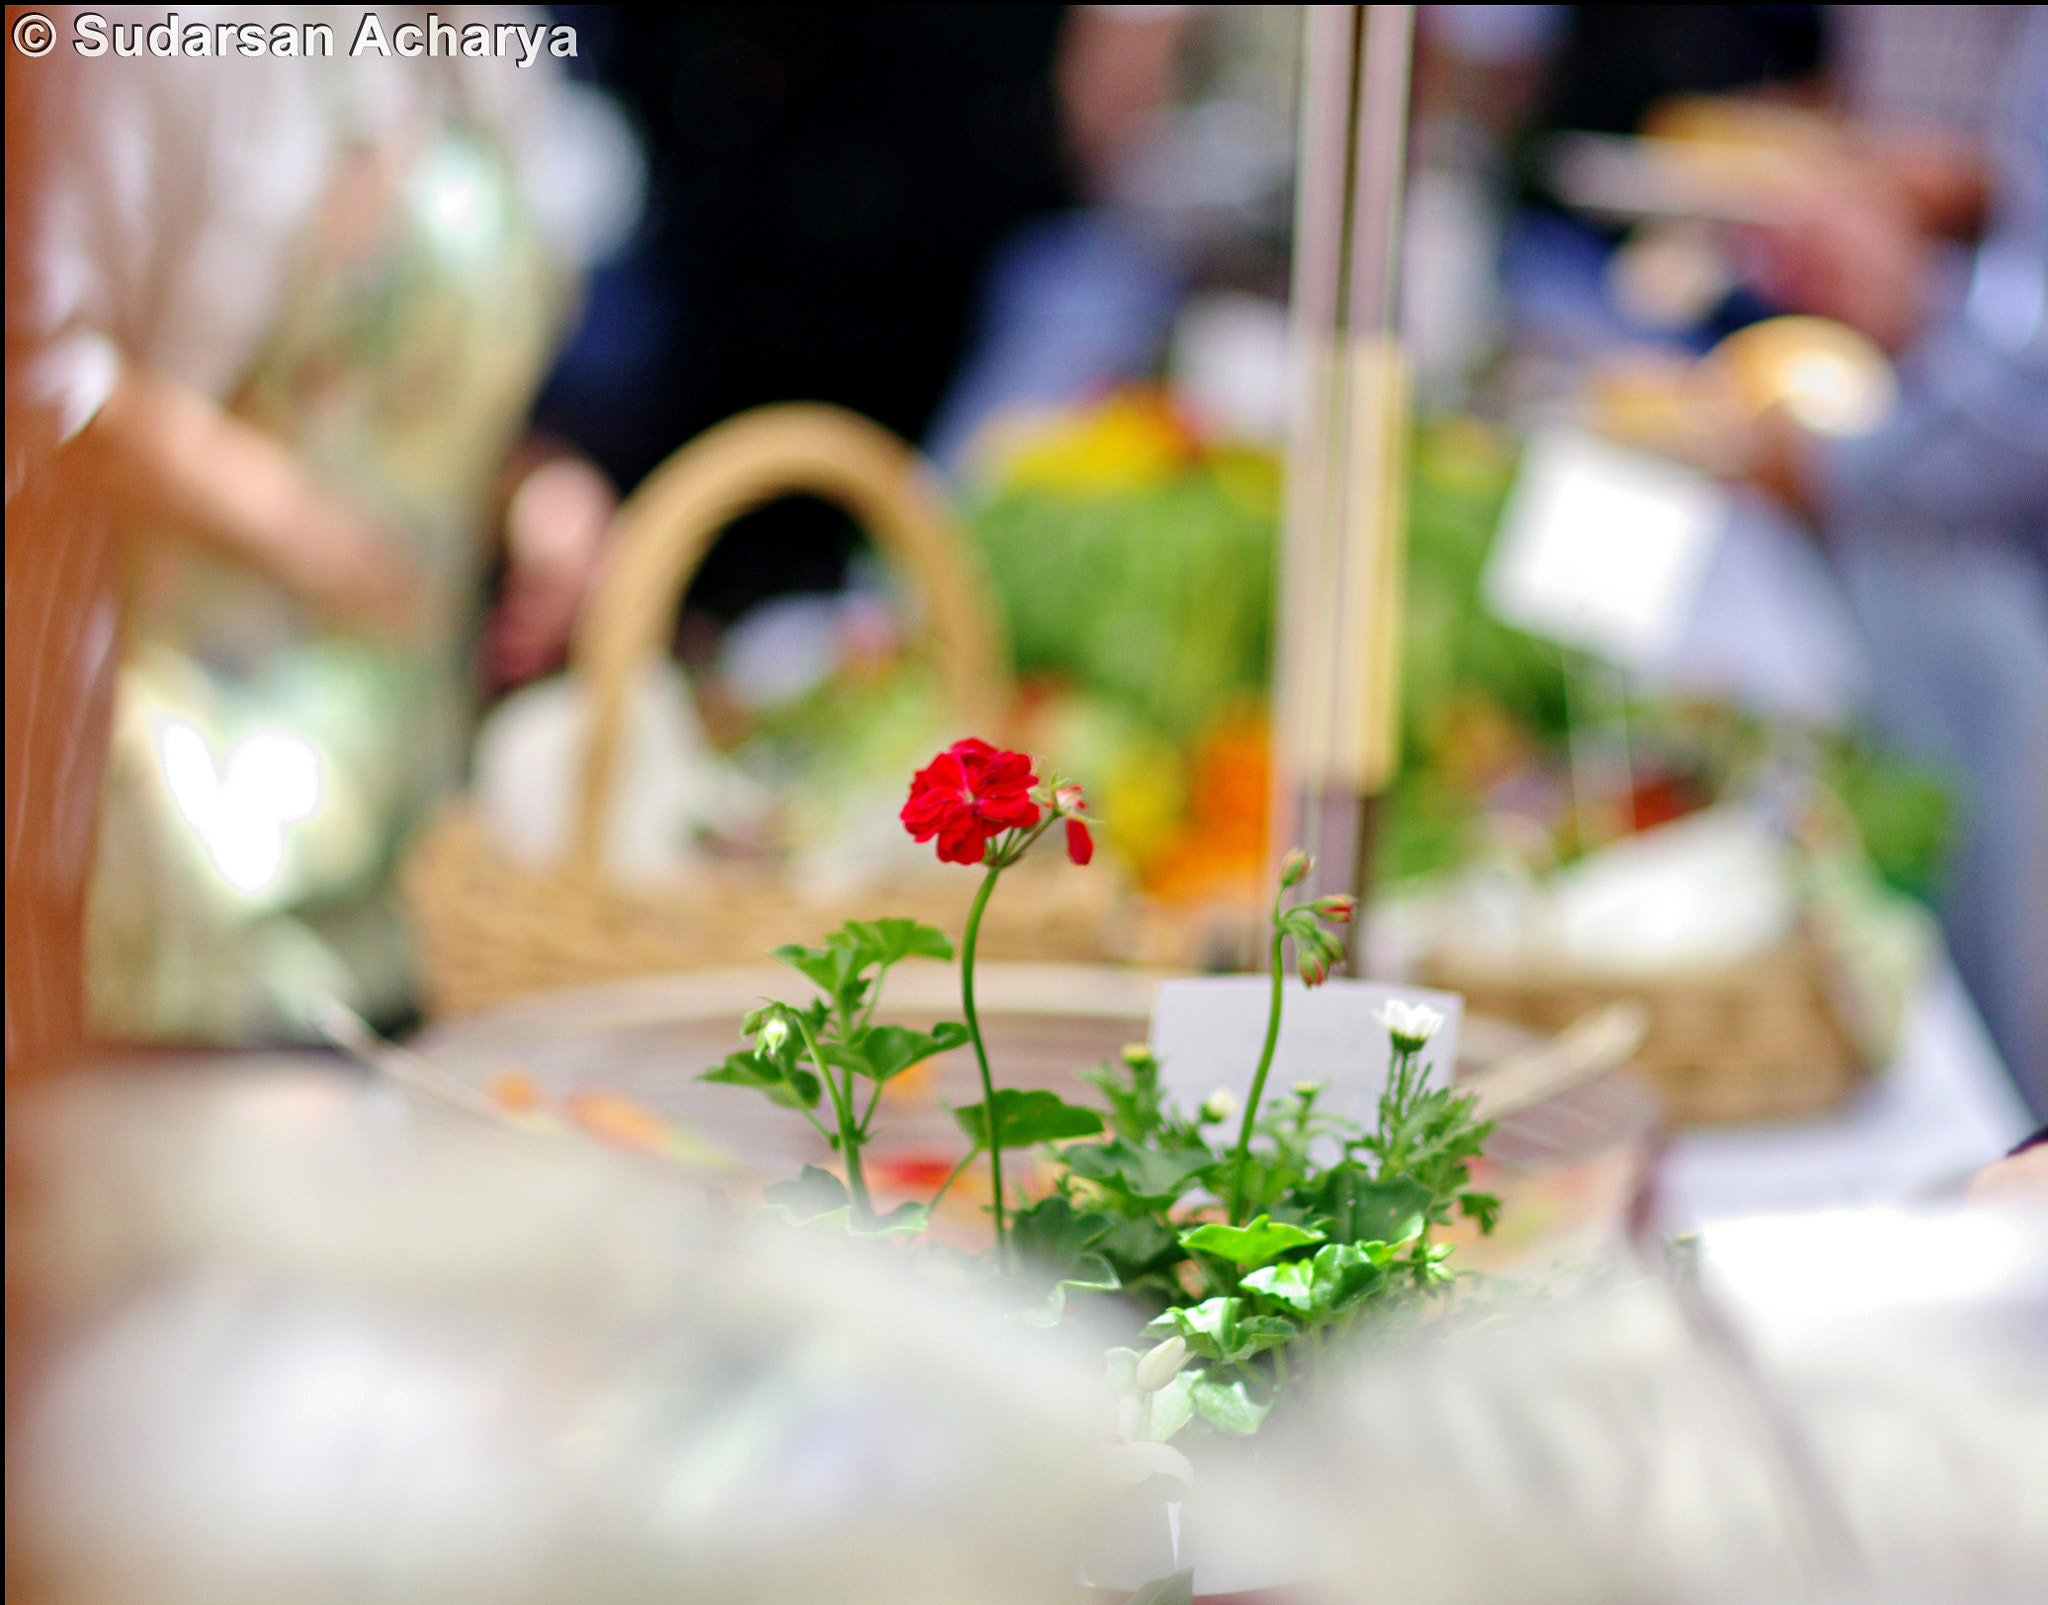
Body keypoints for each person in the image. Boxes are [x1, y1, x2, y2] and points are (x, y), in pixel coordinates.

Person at [11, 7, 637, 1041]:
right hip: (180, 792)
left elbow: (414, 401)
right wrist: (298, 524)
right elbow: (37, 361)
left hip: (405, 807)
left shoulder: (486, 47)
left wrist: (529, 488)